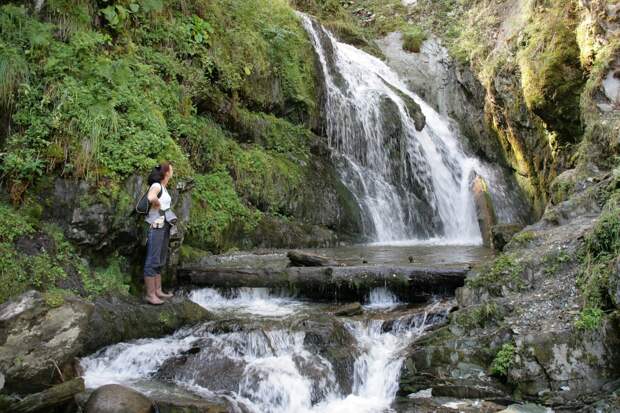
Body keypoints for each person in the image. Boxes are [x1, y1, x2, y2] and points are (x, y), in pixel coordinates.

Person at [143, 162, 175, 305]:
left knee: (160, 257)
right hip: (156, 225)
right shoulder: (156, 185)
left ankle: (158, 290)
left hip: (164, 225)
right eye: (171, 168)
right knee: (152, 258)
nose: (173, 170)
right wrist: (156, 203)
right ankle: (150, 295)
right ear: (166, 172)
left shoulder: (164, 187)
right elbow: (151, 197)